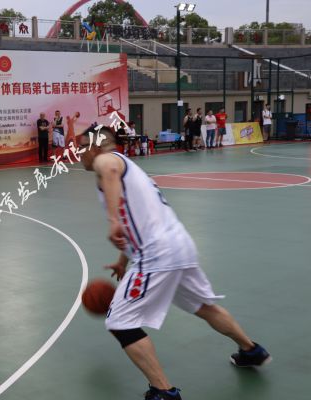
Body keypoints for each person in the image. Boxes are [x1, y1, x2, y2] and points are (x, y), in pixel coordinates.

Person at [77, 126, 271, 400]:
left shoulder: (106, 161)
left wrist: (112, 220)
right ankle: (251, 350)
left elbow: (107, 169)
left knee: (120, 321)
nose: (78, 153)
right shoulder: (130, 170)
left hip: (157, 254)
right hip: (179, 246)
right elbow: (137, 219)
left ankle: (163, 391)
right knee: (204, 307)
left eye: (82, 147)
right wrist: (123, 260)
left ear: (97, 146)